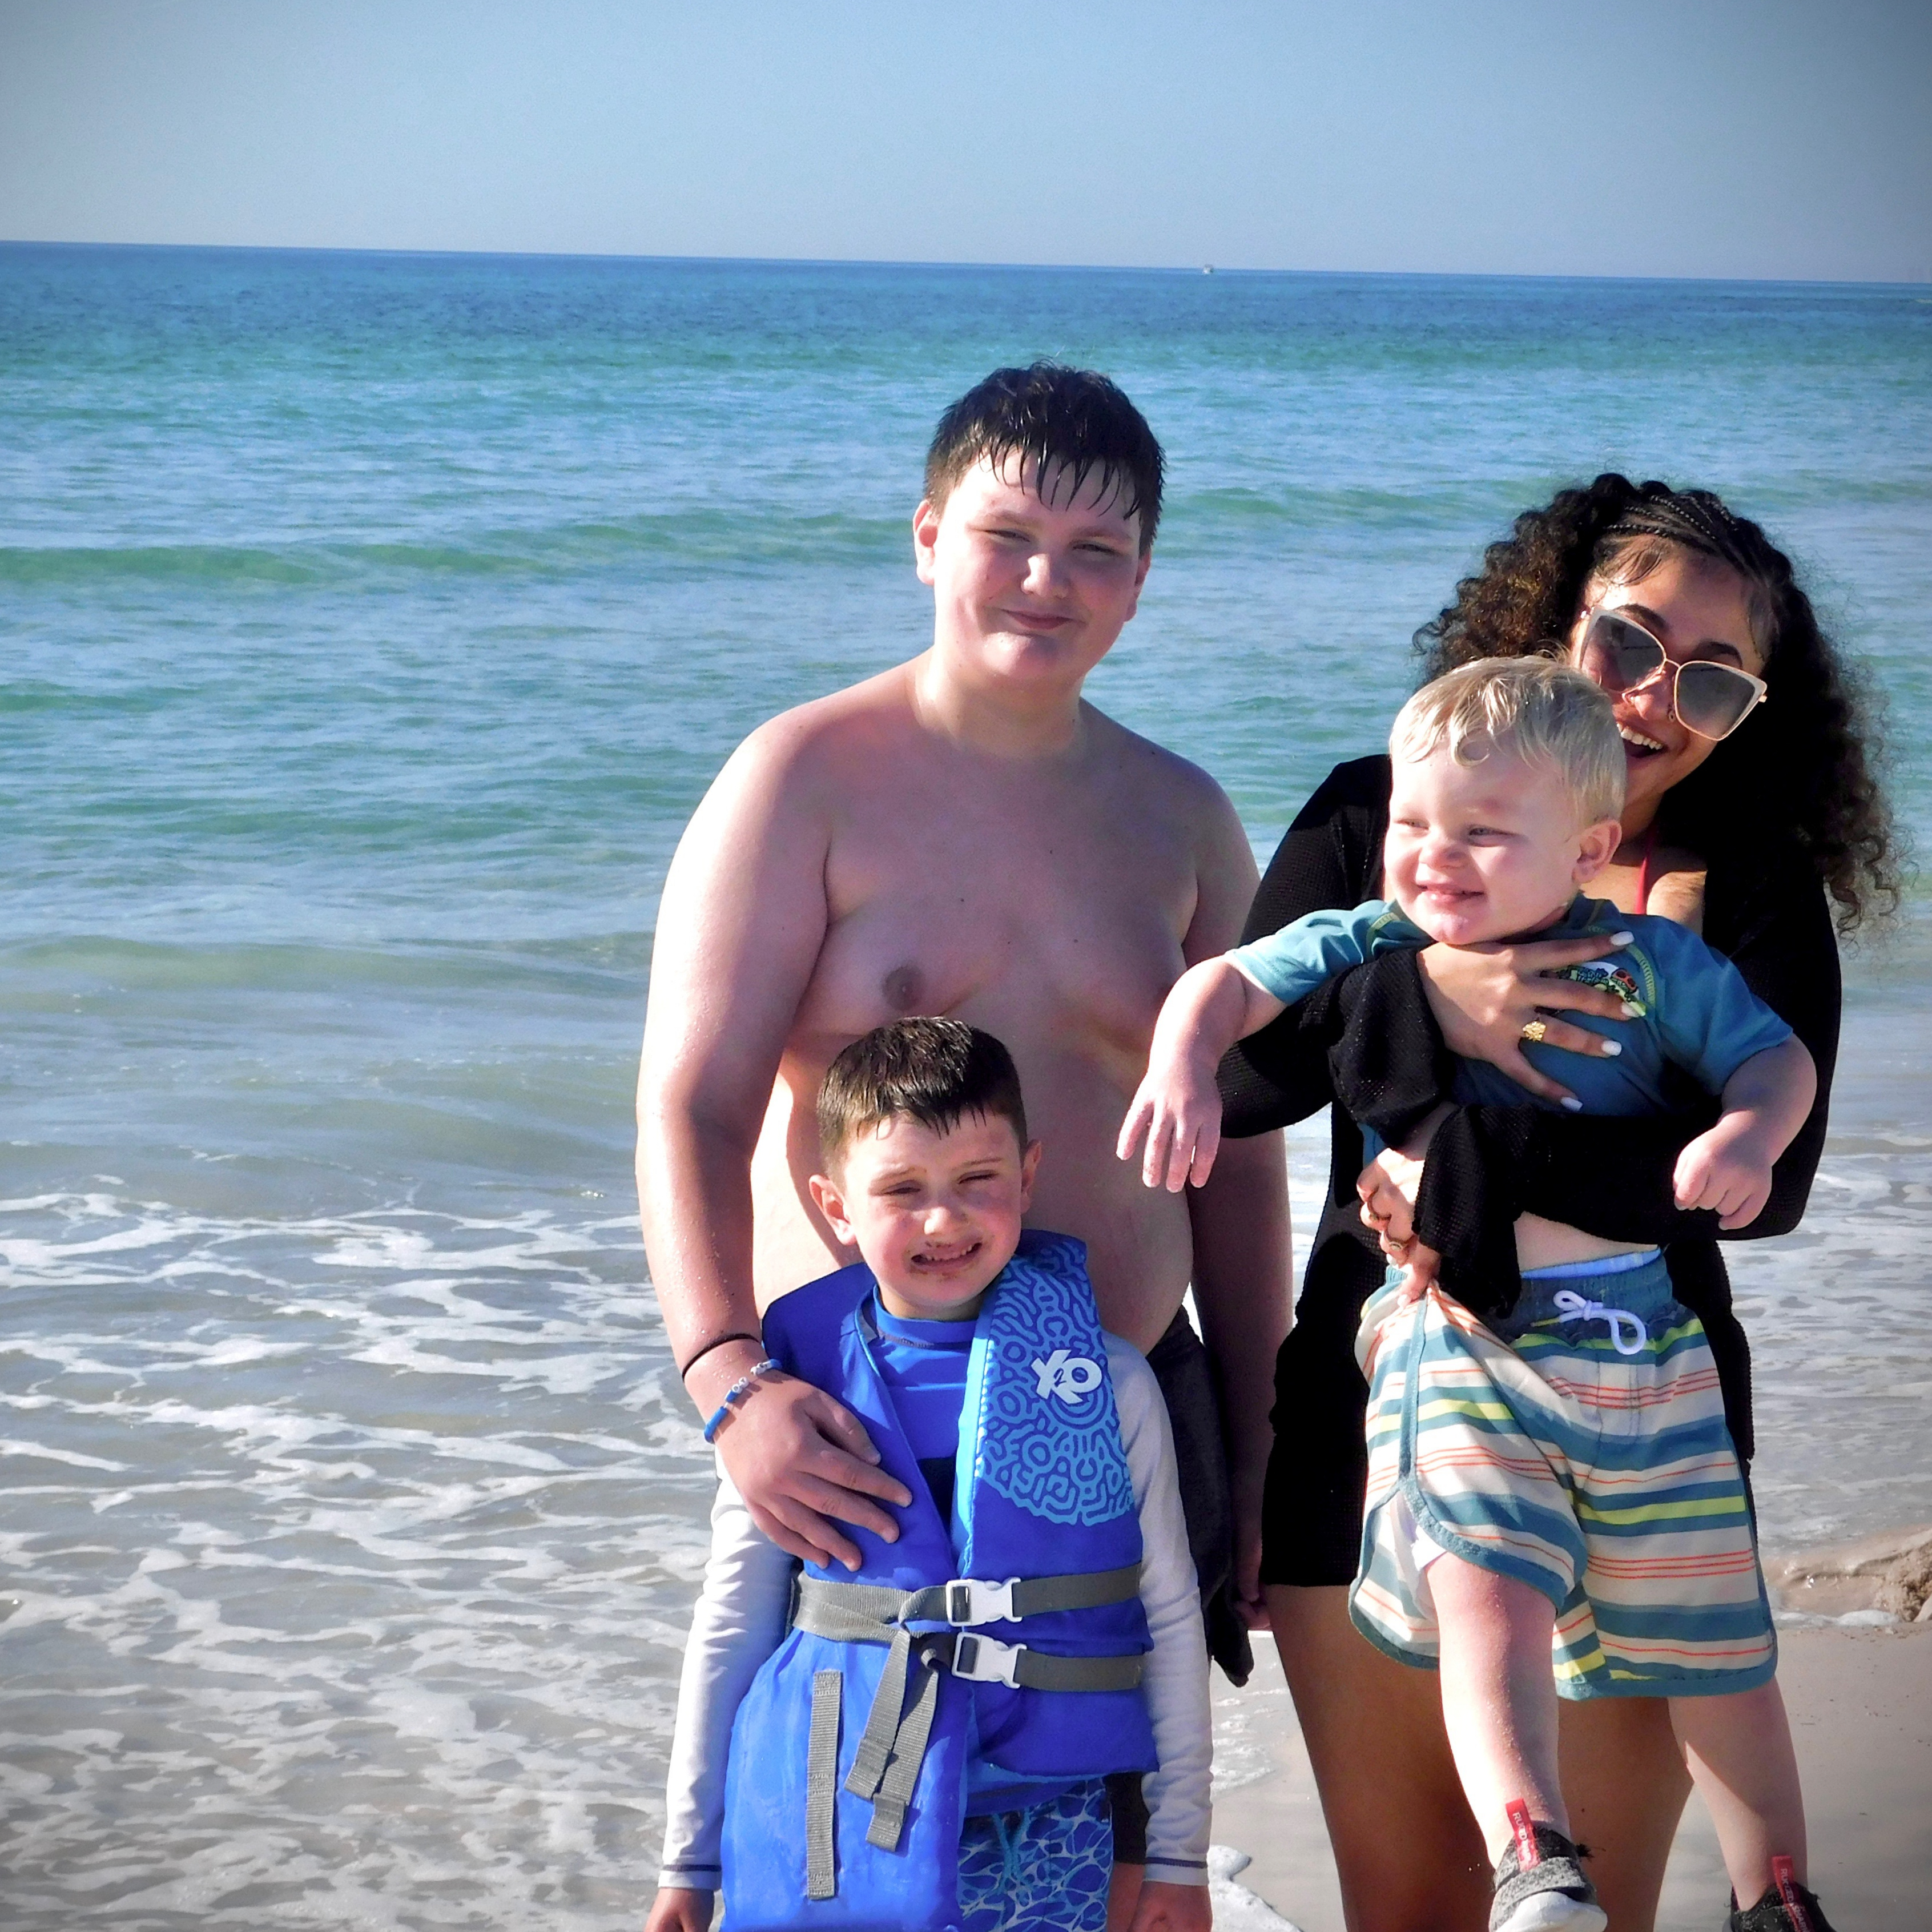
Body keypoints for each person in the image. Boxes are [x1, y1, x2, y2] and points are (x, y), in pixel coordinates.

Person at [635, 363, 1289, 1907]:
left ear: (1142, 580)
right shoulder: (803, 779)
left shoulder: (1184, 816)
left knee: (1117, 1873)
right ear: (929, 536)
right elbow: (694, 1101)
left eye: (1097, 552)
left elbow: (1244, 1153)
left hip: (1123, 1414)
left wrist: (1260, 1439)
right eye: (1009, 537)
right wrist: (728, 1382)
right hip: (861, 1428)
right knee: (848, 1866)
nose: (1048, 581)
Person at [1217, 478, 1895, 1932]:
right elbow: (1238, 1082)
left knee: (1593, 1914)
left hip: (1646, 1433)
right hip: (1369, 1420)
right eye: (1629, 641)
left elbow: (1768, 1189)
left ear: (1748, 716)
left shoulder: (1747, 880)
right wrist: (1426, 996)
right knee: (1411, 1911)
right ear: (1552, 620)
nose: (1652, 697)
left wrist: (1476, 1161)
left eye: (1710, 679)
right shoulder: (1380, 812)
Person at [647, 1019, 1211, 1932]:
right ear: (836, 1206)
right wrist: (689, 1860)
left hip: (1051, 1824)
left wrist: (1179, 1853)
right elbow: (733, 1620)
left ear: (1027, 1177)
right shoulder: (798, 1408)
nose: (944, 1221)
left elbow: (1170, 1615)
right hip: (841, 1811)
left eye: (977, 1181)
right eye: (902, 1190)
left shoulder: (1106, 1384)